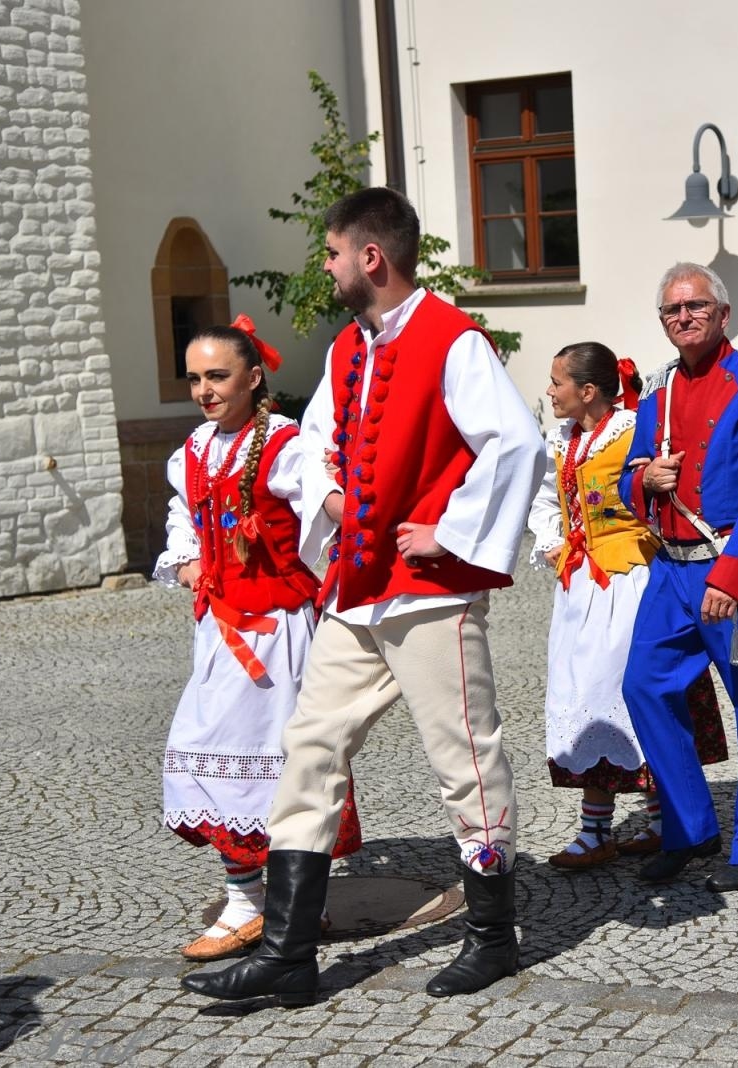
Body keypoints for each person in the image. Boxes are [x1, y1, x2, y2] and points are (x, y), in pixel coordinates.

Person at [181, 187, 545, 1006]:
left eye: (334, 252)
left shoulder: (454, 340)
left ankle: (493, 936)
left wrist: (448, 533)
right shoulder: (348, 348)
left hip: (427, 594)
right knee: (309, 748)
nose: (328, 265)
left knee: (465, 762)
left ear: (371, 258)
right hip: (357, 590)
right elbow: (314, 450)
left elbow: (515, 442)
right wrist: (331, 500)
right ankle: (288, 950)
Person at [156, 317, 364, 962]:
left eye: (218, 376)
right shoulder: (193, 449)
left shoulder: (282, 443)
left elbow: (321, 499)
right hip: (220, 630)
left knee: (286, 761)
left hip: (277, 632)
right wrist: (188, 559)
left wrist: (361, 510)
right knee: (207, 749)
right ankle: (251, 898)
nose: (205, 390)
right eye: (194, 378)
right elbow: (183, 521)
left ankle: (292, 905)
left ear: (254, 377)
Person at [620, 262, 738, 893]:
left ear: (723, 314)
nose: (683, 318)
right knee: (643, 686)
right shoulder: (657, 390)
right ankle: (690, 827)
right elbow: (630, 474)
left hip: (730, 571)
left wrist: (736, 575)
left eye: (695, 306)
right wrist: (644, 482)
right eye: (671, 310)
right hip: (669, 572)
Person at [527, 342, 727, 869]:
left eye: (557, 382)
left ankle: (648, 822)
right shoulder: (562, 439)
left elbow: (663, 488)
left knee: (627, 695)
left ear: (587, 391)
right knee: (586, 698)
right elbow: (548, 496)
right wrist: (552, 543)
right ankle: (614, 826)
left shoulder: (631, 429)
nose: (549, 391)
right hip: (581, 587)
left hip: (631, 582)